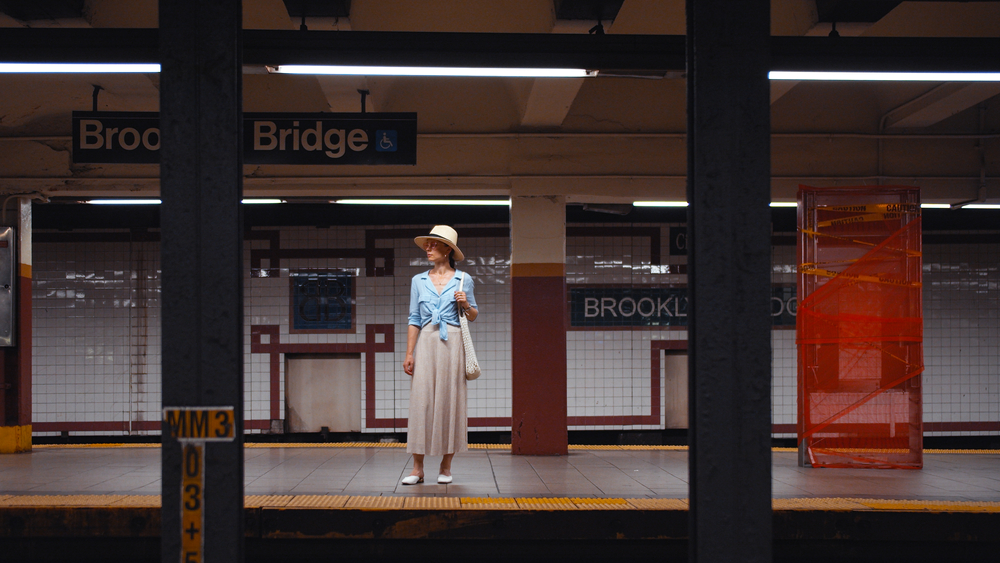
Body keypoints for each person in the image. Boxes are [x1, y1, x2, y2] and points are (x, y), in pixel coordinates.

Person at [401, 225, 478, 485]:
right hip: (427, 340)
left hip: (453, 341)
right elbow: (413, 318)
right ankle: (417, 468)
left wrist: (465, 303)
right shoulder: (418, 280)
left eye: (434, 244)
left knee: (450, 400)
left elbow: (474, 314)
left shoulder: (463, 279)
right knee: (421, 401)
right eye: (428, 244)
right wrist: (409, 352)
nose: (428, 248)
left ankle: (445, 467)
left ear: (448, 249)